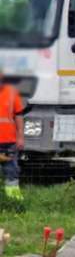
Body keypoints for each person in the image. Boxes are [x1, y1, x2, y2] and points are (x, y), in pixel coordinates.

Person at [0, 68, 24, 202]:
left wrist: (20, 137)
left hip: (8, 142)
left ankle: (13, 201)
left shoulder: (12, 92)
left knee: (11, 172)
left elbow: (19, 115)